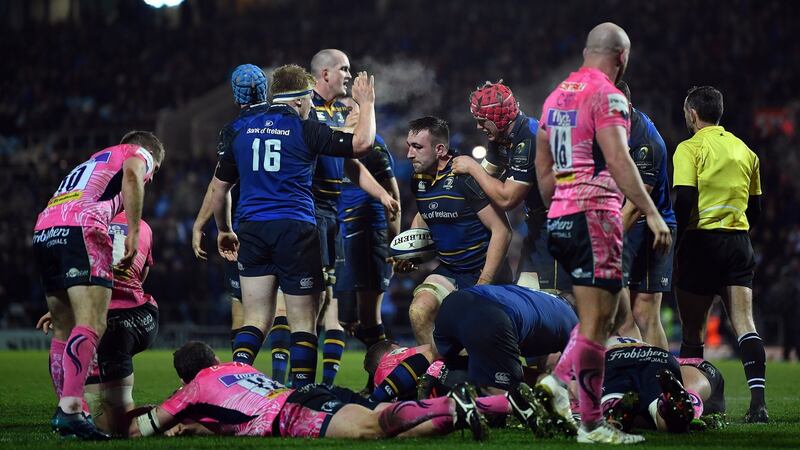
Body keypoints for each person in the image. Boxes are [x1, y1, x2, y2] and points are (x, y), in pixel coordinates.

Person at [534, 22, 671, 444]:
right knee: (600, 324)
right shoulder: (608, 95)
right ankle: (591, 424)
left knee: (606, 317)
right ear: (622, 57)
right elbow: (618, 159)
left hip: (560, 215)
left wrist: (558, 206)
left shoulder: (556, 96)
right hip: (594, 216)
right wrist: (651, 213)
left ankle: (556, 381)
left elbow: (544, 167)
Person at [209, 64, 381, 389]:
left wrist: (224, 230)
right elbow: (361, 144)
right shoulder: (307, 129)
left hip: (252, 230)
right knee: (303, 322)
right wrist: (366, 104)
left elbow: (220, 189)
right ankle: (302, 395)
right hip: (296, 231)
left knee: (256, 318)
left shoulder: (242, 130)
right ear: (301, 100)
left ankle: (230, 384)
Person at [32, 131, 164, 440]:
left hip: (45, 228)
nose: (151, 178)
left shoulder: (92, 162)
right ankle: (71, 411)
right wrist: (133, 229)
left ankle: (70, 413)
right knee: (93, 322)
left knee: (64, 328)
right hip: (82, 226)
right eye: (154, 172)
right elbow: (133, 175)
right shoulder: (137, 153)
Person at [128, 341, 490, 441]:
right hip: (306, 396)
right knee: (382, 422)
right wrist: (193, 425)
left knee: (372, 427)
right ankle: (478, 409)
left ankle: (446, 403)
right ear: (215, 358)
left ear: (186, 378)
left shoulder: (193, 390)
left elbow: (141, 428)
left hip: (293, 416)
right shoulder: (237, 368)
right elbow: (231, 417)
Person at [672, 85, 766, 422]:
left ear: (693, 114)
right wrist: (737, 228)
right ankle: (758, 405)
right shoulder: (745, 150)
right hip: (739, 242)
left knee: (693, 332)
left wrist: (677, 239)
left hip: (701, 243)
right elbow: (755, 208)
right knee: (744, 323)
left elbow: (683, 199)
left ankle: (696, 402)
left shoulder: (689, 148)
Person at [37, 212, 159, 436]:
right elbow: (141, 274)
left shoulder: (82, 222)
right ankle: (150, 412)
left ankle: (172, 416)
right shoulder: (142, 225)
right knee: (114, 410)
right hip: (144, 316)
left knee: (111, 426)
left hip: (110, 324)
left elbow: (79, 280)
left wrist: (65, 309)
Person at [402, 116, 513, 346]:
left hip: (485, 273)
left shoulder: (465, 178)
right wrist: (411, 251)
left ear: (440, 149)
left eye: (417, 147)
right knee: (419, 311)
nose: (409, 154)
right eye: (409, 146)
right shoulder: (419, 179)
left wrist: (484, 283)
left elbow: (502, 231)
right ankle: (437, 375)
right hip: (451, 271)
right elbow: (424, 213)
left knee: (480, 341)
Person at [452, 81, 570, 293]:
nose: (478, 126)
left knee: (556, 303)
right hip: (537, 226)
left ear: (498, 118)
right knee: (524, 295)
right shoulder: (500, 137)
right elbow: (487, 176)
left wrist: (472, 166)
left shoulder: (530, 138)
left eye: (482, 120)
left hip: (560, 227)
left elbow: (507, 199)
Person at [191, 63, 269, 352]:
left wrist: (202, 223)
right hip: (292, 220)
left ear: (236, 97)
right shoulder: (286, 120)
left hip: (248, 225)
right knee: (289, 307)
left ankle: (239, 376)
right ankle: (292, 383)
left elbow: (219, 185)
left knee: (242, 304)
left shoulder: (234, 130)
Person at [333, 97, 400, 355]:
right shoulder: (333, 145)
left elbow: (392, 199)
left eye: (350, 110)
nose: (343, 114)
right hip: (341, 234)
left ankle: (385, 374)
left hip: (370, 232)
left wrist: (393, 247)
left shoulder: (374, 146)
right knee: (345, 319)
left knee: (369, 317)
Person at [613, 80, 676, 350]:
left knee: (645, 312)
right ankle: (637, 377)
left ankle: (663, 383)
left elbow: (636, 204)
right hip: (621, 221)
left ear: (626, 105)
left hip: (650, 227)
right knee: (621, 311)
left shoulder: (647, 144)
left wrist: (603, 242)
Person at [600, 336, 696, 434]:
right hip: (658, 356)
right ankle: (666, 409)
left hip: (612, 358)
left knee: (609, 398)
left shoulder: (591, 337)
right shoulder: (630, 335)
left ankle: (615, 412)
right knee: (657, 404)